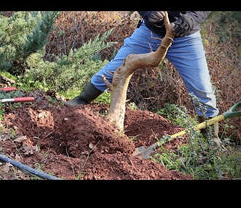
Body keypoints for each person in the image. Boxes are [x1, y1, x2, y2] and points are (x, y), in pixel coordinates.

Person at [65, 11, 222, 149]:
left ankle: (212, 140)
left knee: (203, 90)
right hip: (150, 33)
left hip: (186, 39)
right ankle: (81, 100)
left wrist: (192, 18)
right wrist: (148, 12)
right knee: (113, 71)